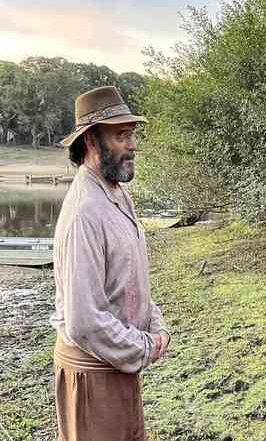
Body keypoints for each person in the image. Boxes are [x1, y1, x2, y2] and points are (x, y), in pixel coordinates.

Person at [51, 85, 170, 441]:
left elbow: (131, 280)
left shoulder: (116, 192)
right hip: (93, 377)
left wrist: (155, 323)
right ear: (90, 140)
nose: (132, 145)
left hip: (119, 366)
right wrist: (145, 346)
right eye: (121, 135)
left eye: (131, 134)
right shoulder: (84, 212)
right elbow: (84, 321)